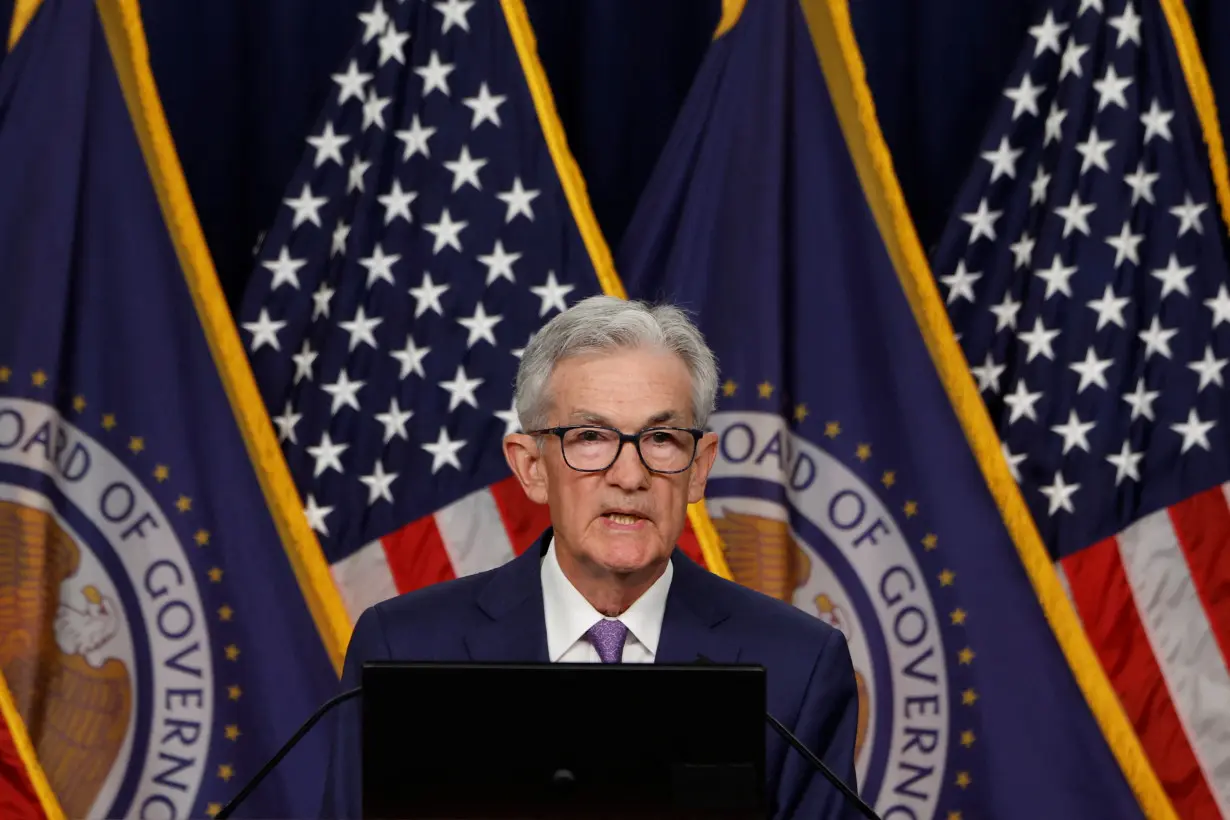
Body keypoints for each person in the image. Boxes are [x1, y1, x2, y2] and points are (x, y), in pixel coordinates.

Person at [318, 295, 860, 818]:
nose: (630, 476)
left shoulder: (798, 667)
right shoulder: (405, 649)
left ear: (699, 467)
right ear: (531, 465)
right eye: (591, 437)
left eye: (663, 438)